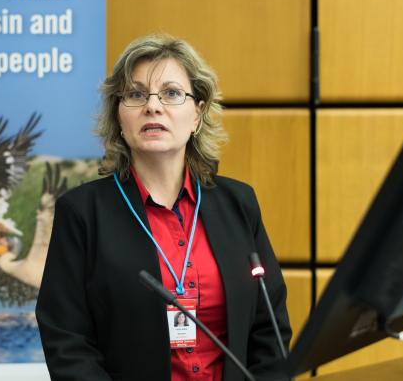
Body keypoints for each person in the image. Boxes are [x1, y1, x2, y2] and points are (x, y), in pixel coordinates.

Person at [36, 35, 291, 381]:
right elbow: (67, 342)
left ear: (198, 113)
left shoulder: (239, 204)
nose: (152, 107)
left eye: (171, 93)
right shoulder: (82, 213)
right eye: (136, 94)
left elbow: (269, 330)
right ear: (119, 117)